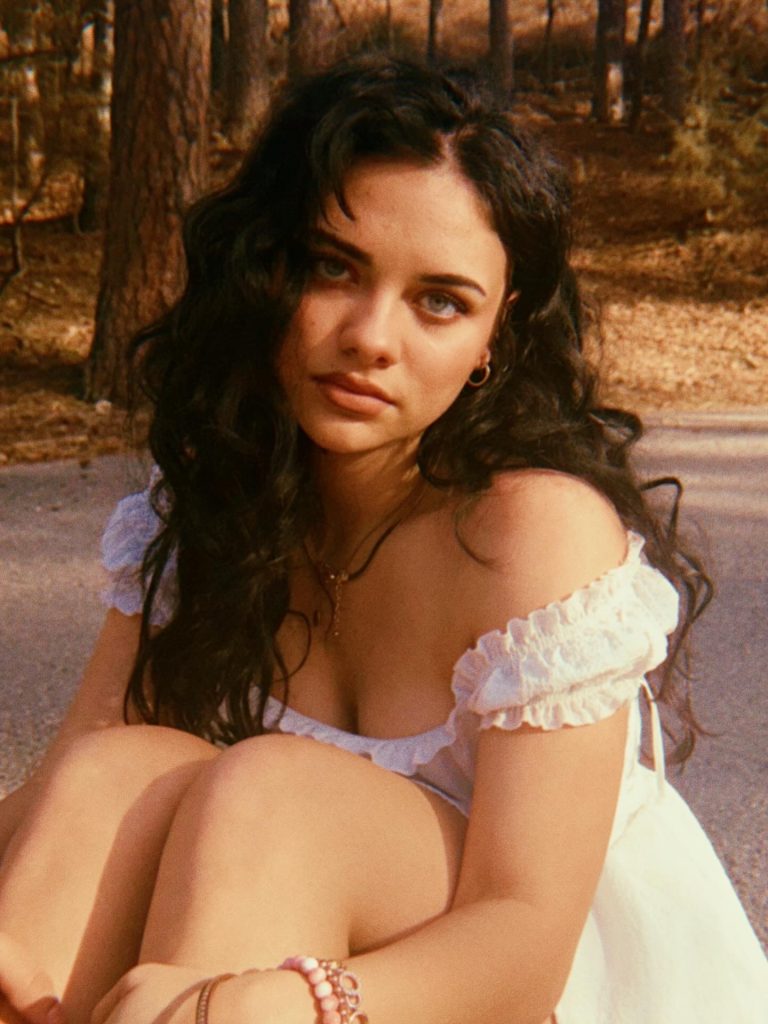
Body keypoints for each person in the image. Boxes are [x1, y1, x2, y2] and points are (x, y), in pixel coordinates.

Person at [0, 53, 766, 1024]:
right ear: (269, 268)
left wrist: (282, 1003)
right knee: (111, 772)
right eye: (335, 267)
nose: (370, 335)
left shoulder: (531, 534)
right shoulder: (218, 490)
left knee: (275, 796)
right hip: (269, 926)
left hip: (514, 988)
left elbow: (526, 943)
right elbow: (64, 795)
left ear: (495, 335)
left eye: (440, 300)